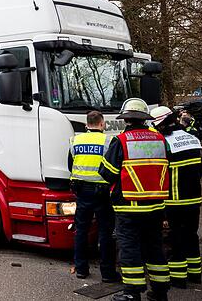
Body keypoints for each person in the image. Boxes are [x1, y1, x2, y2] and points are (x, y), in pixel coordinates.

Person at [99, 98, 170, 301]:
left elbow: (108, 172)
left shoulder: (121, 141)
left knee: (130, 249)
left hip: (128, 207)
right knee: (155, 247)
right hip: (155, 206)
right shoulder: (160, 139)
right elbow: (168, 166)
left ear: (126, 119)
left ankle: (131, 293)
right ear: (145, 119)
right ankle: (160, 291)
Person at [151, 106, 202, 288]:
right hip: (194, 198)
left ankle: (178, 278)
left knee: (175, 238)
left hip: (175, 200)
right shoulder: (191, 138)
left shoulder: (165, 143)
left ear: (161, 125)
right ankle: (195, 273)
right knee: (191, 235)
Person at [67, 110, 117, 282]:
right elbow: (113, 168)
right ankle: (108, 273)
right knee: (105, 232)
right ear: (102, 124)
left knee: (81, 231)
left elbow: (70, 165)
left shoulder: (75, 140)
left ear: (87, 124)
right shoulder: (109, 141)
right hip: (103, 193)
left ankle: (81, 269)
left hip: (81, 191)